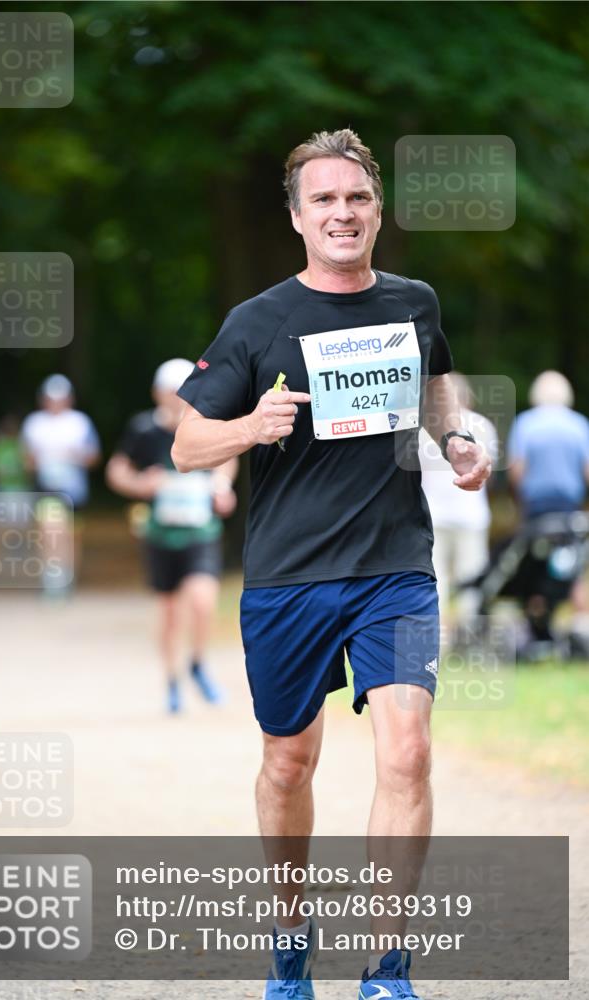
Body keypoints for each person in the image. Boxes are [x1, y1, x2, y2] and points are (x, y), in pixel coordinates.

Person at [172, 129, 490, 1000]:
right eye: (323, 200)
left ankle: (387, 968)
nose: (341, 213)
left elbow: (434, 382)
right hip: (288, 575)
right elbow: (186, 444)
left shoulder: (413, 302)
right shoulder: (257, 322)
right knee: (287, 764)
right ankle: (289, 937)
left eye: (356, 198)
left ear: (376, 209)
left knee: (408, 755)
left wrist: (454, 436)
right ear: (296, 217)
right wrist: (248, 429)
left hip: (394, 565)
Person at [106, 359, 237, 714]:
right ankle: (172, 680)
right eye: (171, 391)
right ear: (158, 393)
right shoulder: (144, 430)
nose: (178, 398)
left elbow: (228, 458)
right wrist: (139, 485)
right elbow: (116, 471)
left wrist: (222, 487)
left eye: (184, 390)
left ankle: (197, 663)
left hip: (200, 531)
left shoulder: (205, 424)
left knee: (202, 601)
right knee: (168, 613)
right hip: (162, 534)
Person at [507, 370, 589, 632]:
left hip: (537, 509)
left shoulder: (526, 423)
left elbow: (517, 469)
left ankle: (535, 620)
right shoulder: (579, 424)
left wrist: (519, 502)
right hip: (569, 508)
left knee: (534, 564)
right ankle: (578, 624)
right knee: (573, 565)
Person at [419, 371, 498, 625]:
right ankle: (470, 634)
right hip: (471, 513)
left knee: (435, 578)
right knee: (473, 578)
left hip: (434, 513)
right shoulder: (483, 425)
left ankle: (437, 635)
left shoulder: (424, 426)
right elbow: (489, 472)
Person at [20, 375, 101, 594]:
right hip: (47, 488)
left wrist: (75, 456)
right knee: (50, 530)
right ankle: (53, 577)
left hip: (74, 491)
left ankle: (68, 577)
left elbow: (94, 456)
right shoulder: (34, 423)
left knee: (71, 536)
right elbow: (26, 459)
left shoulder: (80, 422)